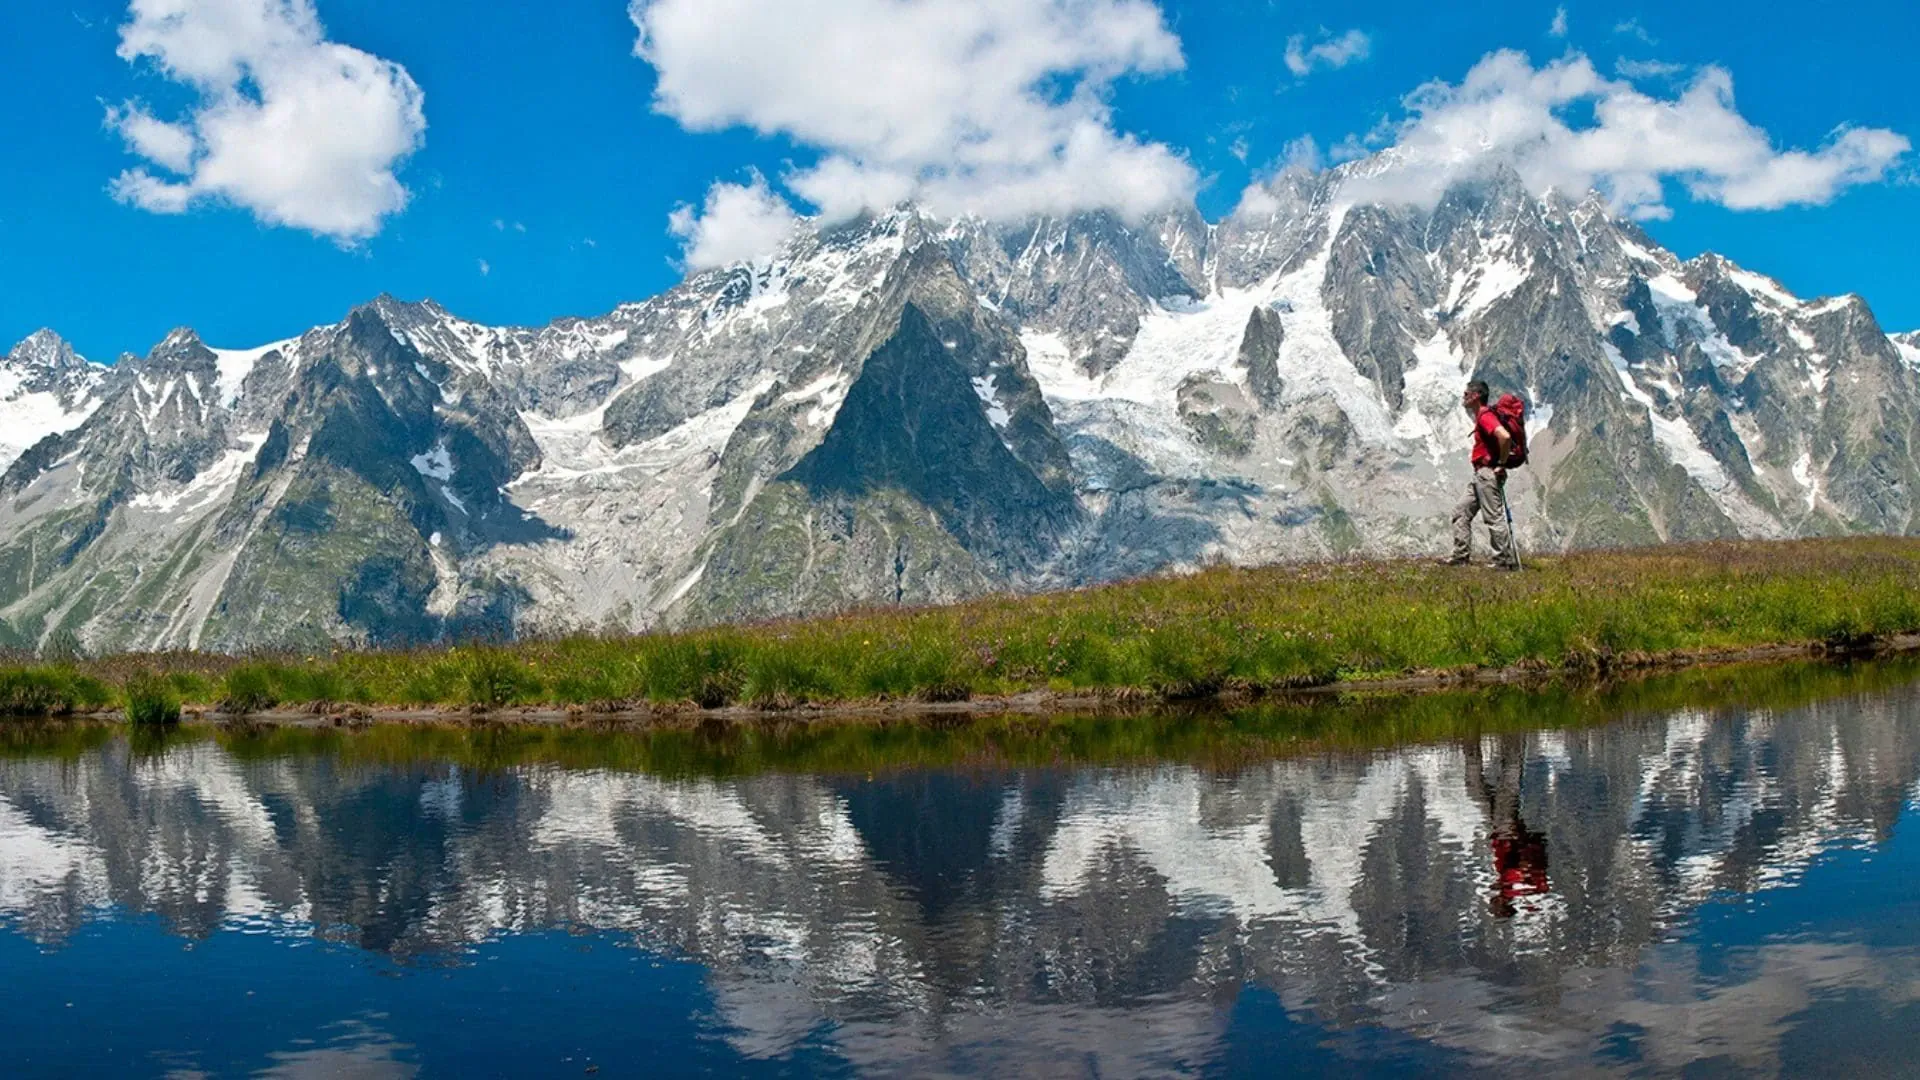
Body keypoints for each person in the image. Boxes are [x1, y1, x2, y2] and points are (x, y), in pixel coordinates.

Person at [1441, 380, 1519, 570]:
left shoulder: (1485, 416)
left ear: (1476, 396)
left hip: (1487, 473)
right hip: (1480, 475)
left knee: (1493, 517)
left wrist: (1500, 464)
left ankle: (1503, 561)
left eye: (1466, 394)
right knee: (1460, 512)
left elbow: (1505, 436)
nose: (1464, 397)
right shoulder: (1482, 416)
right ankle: (1460, 556)